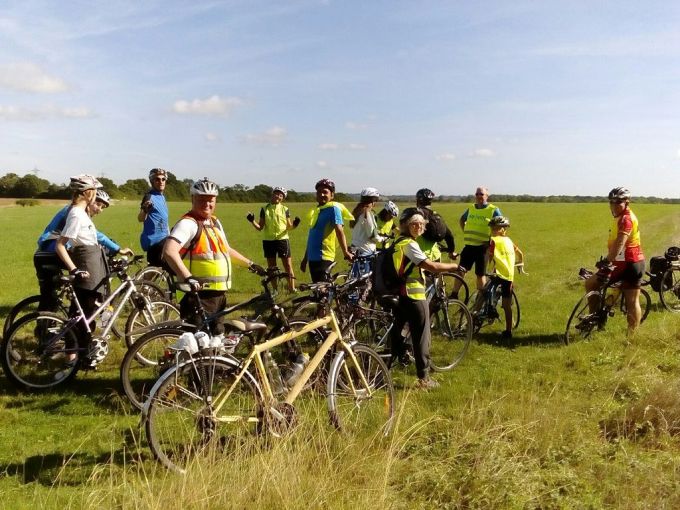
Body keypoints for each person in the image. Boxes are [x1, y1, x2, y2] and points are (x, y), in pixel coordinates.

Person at [163, 177, 262, 334]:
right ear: (193, 199)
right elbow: (169, 251)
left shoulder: (214, 223)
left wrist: (250, 264)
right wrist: (188, 277)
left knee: (216, 339)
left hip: (218, 294)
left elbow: (226, 250)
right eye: (202, 200)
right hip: (198, 295)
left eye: (211, 200)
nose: (207, 204)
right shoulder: (188, 223)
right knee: (198, 344)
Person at [389, 207, 464, 389]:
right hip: (413, 294)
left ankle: (384, 367)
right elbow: (431, 266)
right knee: (421, 336)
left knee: (398, 332)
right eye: (415, 224)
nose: (419, 227)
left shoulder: (398, 242)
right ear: (406, 226)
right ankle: (424, 379)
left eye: (421, 224)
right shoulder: (409, 244)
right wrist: (453, 267)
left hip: (398, 293)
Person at [34, 189, 133, 312]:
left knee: (54, 297)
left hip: (51, 249)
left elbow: (93, 236)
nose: (99, 210)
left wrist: (115, 248)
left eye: (102, 207)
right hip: (49, 250)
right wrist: (117, 249)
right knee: (51, 297)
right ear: (90, 200)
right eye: (98, 204)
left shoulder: (78, 212)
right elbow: (95, 236)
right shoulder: (74, 212)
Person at [54, 175, 110, 369]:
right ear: (88, 193)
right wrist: (75, 269)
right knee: (80, 318)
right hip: (86, 269)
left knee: (87, 316)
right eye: (94, 191)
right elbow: (60, 245)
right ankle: (72, 361)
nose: (95, 195)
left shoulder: (82, 213)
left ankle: (82, 357)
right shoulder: (77, 214)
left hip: (93, 267)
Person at [584, 187, 645, 336]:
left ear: (627, 202)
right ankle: (632, 336)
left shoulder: (626, 219)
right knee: (632, 301)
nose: (614, 205)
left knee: (591, 283)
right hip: (634, 262)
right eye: (611, 202)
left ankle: (594, 318)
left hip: (625, 264)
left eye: (618, 202)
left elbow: (620, 243)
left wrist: (607, 261)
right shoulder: (621, 217)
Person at [246, 186, 300, 292]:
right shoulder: (264, 209)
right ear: (272, 194)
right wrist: (252, 221)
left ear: (283, 198)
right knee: (272, 267)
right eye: (276, 194)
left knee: (288, 265)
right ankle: (275, 289)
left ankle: (292, 288)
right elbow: (260, 227)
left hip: (282, 240)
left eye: (281, 195)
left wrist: (295, 224)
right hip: (268, 241)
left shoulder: (285, 209)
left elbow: (289, 227)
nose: (278, 196)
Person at [452, 186, 503, 299]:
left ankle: (480, 300)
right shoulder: (471, 208)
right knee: (460, 271)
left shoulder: (493, 210)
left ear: (487, 196)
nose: (479, 196)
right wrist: (465, 231)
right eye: (477, 194)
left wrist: (493, 241)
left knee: (480, 275)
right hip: (469, 247)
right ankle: (454, 295)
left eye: (482, 194)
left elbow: (501, 227)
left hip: (483, 248)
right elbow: (462, 220)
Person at [300, 178, 354, 283]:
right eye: (319, 192)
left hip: (324, 256)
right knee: (317, 291)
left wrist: (345, 252)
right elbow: (312, 237)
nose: (321, 194)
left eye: (325, 192)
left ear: (332, 195)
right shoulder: (317, 211)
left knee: (323, 292)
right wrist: (305, 259)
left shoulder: (333, 209)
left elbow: (339, 230)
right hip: (313, 258)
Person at [486, 216, 524, 342]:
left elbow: (490, 256)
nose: (493, 230)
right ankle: (508, 331)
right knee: (507, 305)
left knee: (484, 291)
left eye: (495, 228)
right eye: (492, 228)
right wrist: (521, 264)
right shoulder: (508, 240)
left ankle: (486, 312)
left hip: (498, 274)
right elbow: (520, 254)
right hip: (508, 276)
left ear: (502, 229)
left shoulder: (493, 240)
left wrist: (485, 269)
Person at [138, 168, 169, 267]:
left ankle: (141, 282)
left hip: (164, 239)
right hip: (155, 241)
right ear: (152, 181)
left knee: (154, 272)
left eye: (163, 179)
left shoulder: (162, 197)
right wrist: (145, 209)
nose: (161, 182)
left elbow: (163, 219)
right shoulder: (149, 196)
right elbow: (140, 218)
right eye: (157, 179)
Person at [349, 187, 384, 276]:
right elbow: (372, 235)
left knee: (355, 279)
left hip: (355, 249)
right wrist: (382, 239)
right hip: (365, 252)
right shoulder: (367, 214)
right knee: (364, 282)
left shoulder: (357, 212)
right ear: (373, 200)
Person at [415, 188, 456, 262]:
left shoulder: (416, 215)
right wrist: (451, 251)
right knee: (438, 273)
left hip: (421, 257)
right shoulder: (436, 216)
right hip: (436, 255)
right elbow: (449, 236)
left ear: (418, 201)